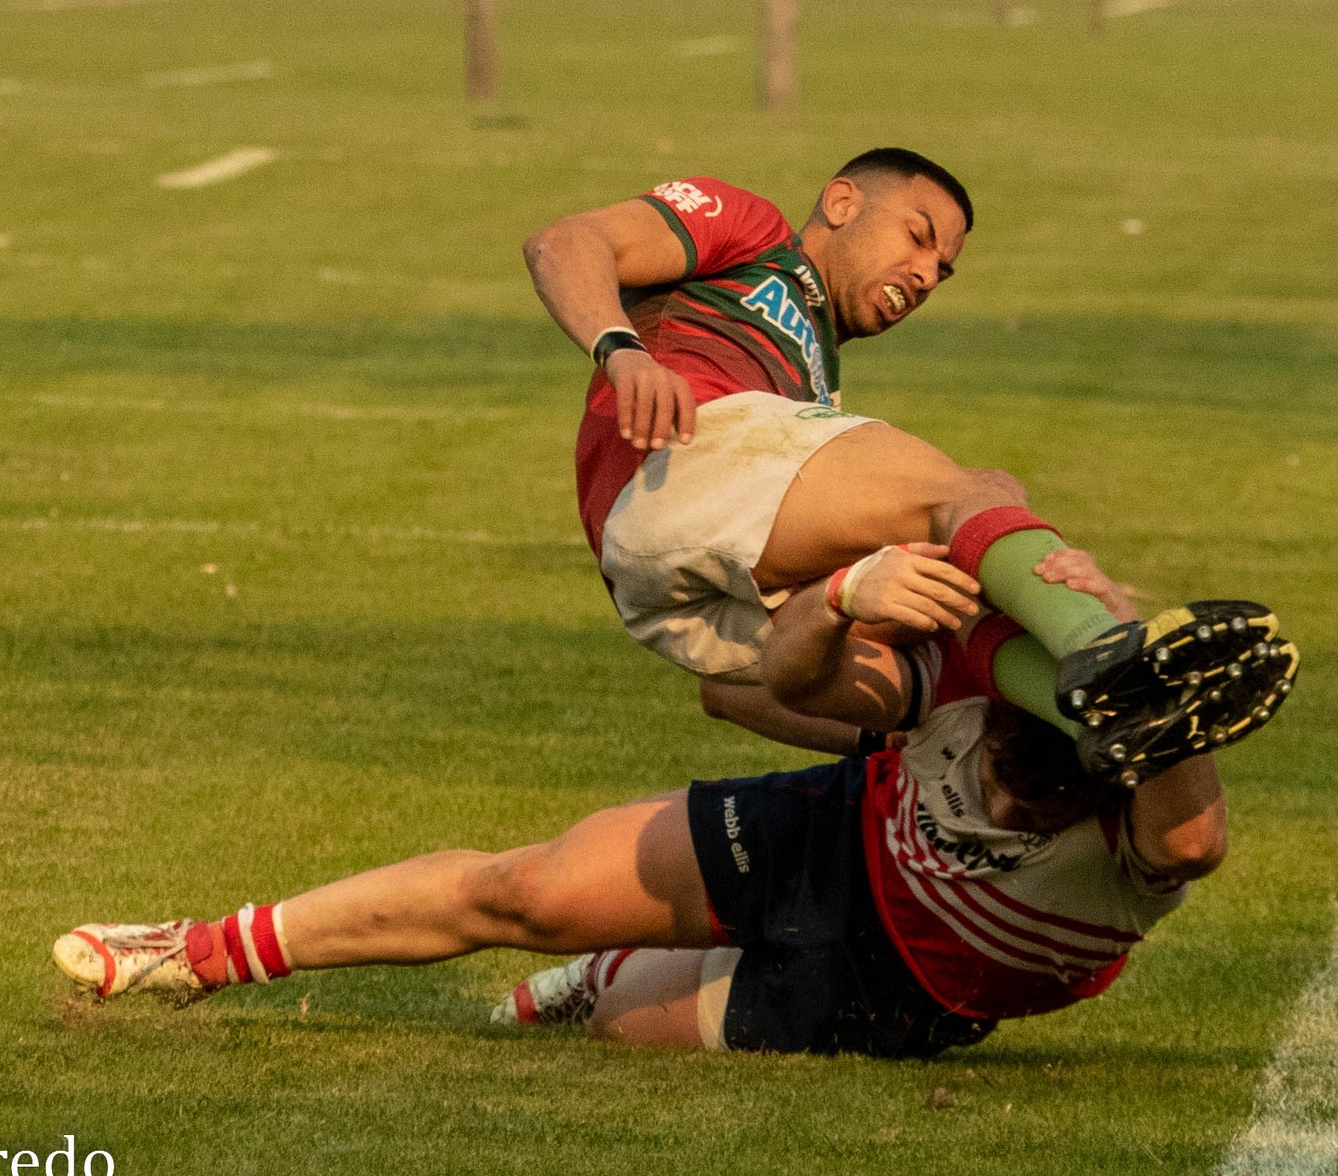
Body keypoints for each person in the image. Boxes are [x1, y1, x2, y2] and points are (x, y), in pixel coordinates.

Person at [51, 547, 1297, 1058]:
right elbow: (763, 688)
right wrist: (848, 587)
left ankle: (607, 976)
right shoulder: (978, 668)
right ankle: (195, 949)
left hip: (897, 989)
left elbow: (1195, 836)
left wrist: (1155, 712)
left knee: (612, 1032)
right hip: (826, 834)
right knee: (523, 888)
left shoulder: (1147, 809)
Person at [524, 147, 1287, 786]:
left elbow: (730, 699)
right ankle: (1102, 648)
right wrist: (620, 349)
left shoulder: (815, 381)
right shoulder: (756, 236)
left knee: (955, 620)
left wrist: (881, 735)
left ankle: (1101, 723)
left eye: (942, 270)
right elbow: (564, 243)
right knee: (974, 497)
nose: (925, 274)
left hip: (670, 597)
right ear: (843, 200)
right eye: (917, 237)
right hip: (679, 466)